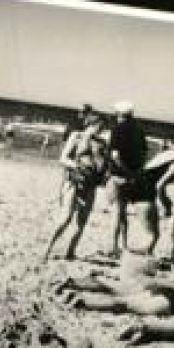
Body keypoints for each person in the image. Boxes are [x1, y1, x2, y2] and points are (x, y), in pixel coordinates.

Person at [44, 111, 109, 260]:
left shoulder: (102, 143)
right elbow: (63, 158)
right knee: (65, 218)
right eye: (99, 126)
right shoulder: (76, 137)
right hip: (74, 181)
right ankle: (47, 249)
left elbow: (104, 165)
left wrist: (104, 174)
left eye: (103, 127)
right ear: (91, 124)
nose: (101, 130)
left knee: (82, 221)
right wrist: (77, 167)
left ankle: (70, 252)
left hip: (91, 184)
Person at [104, 101, 150, 256]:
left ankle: (114, 247)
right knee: (123, 212)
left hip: (119, 176)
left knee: (117, 213)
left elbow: (115, 155)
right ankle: (123, 245)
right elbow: (144, 154)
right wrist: (136, 172)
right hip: (133, 178)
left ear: (118, 114)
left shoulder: (116, 129)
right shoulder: (139, 130)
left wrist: (126, 170)